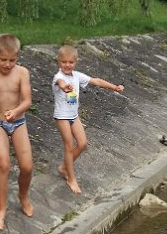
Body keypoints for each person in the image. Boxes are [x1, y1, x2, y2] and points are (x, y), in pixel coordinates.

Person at [52, 44, 124, 194]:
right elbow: (61, 83)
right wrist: (64, 87)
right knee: (69, 146)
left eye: (71, 62)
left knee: (82, 144)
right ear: (59, 62)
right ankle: (71, 179)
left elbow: (96, 81)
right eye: (64, 62)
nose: (67, 65)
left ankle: (64, 167)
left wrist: (114, 87)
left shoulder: (76, 76)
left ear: (75, 62)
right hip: (62, 117)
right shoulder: (58, 77)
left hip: (73, 116)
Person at [0, 33, 34, 229]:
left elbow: (27, 100)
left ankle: (23, 196)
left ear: (17, 57)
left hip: (18, 122)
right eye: (3, 59)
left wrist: (17, 111)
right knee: (3, 164)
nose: (8, 64)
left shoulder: (22, 72)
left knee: (27, 166)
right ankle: (1, 208)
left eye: (12, 60)